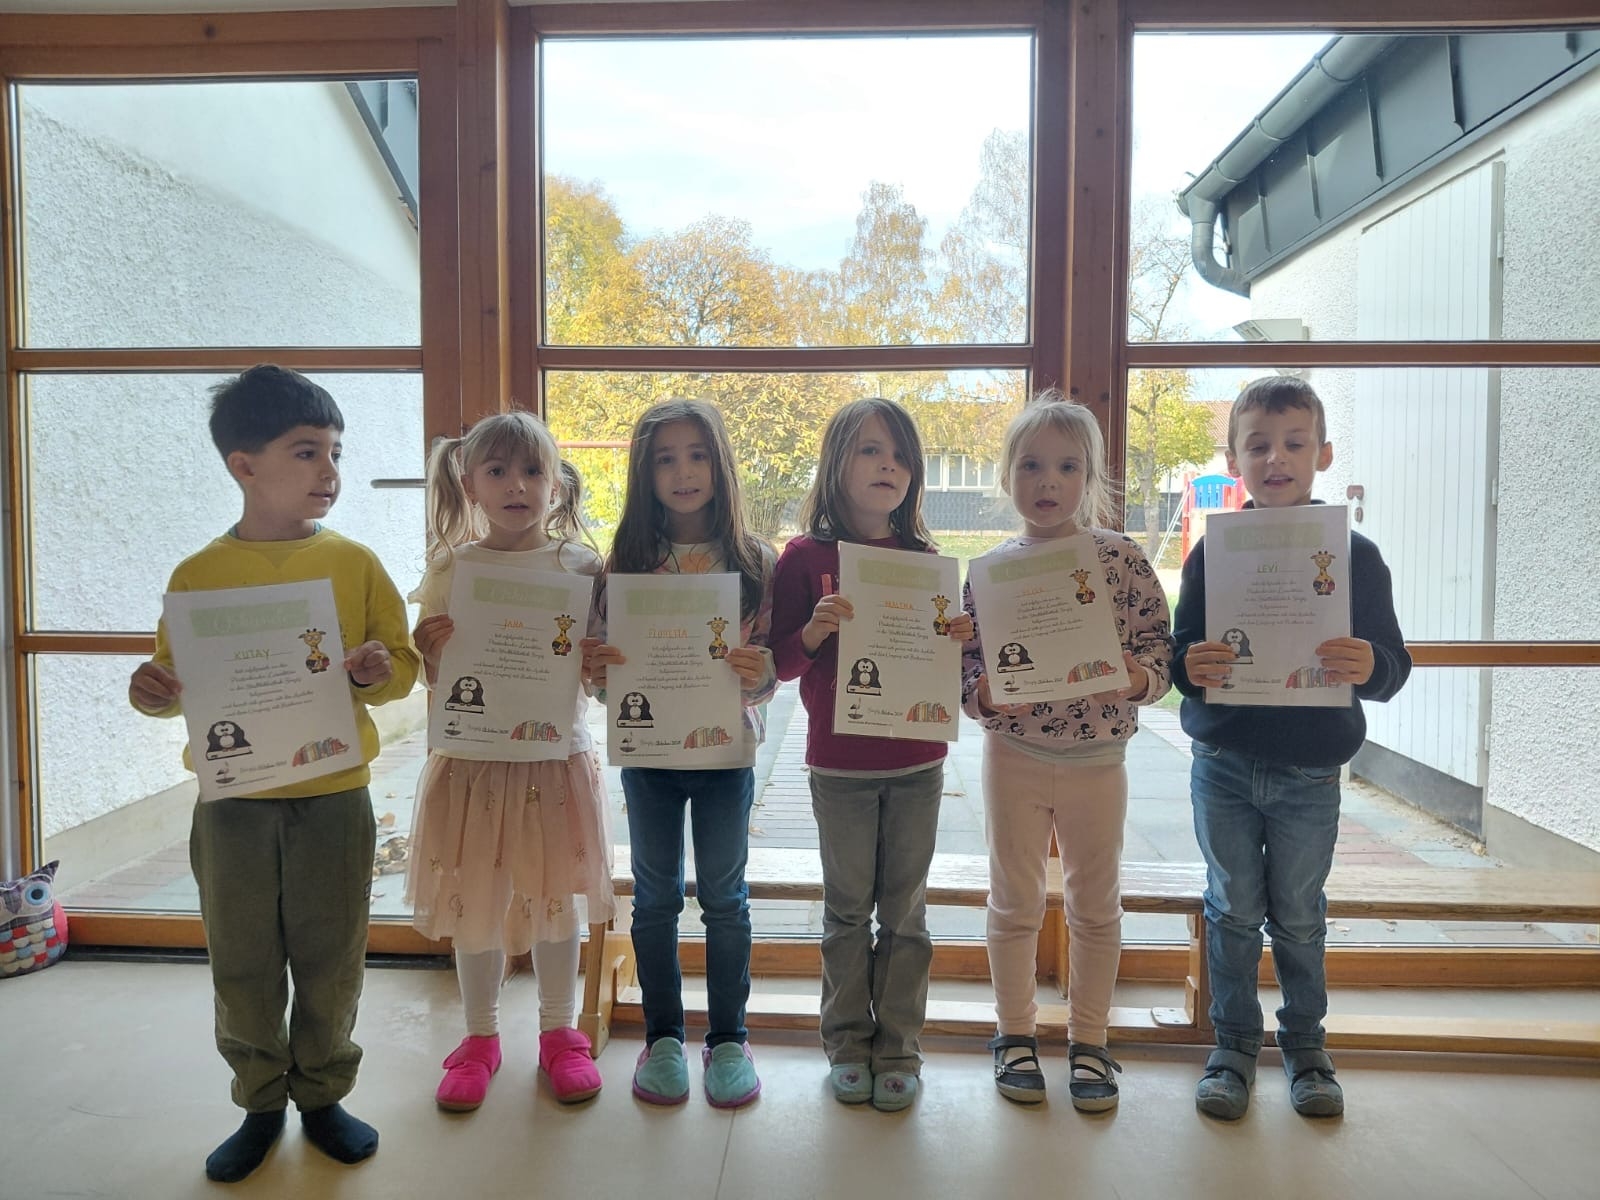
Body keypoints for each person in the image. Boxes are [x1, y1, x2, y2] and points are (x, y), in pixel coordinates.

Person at [127, 365, 420, 1183]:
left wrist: (372, 673)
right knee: (243, 958)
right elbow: (168, 681)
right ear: (242, 464)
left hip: (332, 795)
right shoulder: (198, 576)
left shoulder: (356, 564)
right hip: (233, 804)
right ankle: (259, 1101)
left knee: (332, 953)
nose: (329, 472)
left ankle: (323, 1093)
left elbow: (400, 667)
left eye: (335, 452)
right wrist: (146, 689)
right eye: (306, 452)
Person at [1171, 376, 1411, 1121]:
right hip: (1224, 766)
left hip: (1311, 771)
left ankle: (1307, 1050)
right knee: (1234, 908)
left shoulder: (1356, 556)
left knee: (1300, 915)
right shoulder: (1213, 555)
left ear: (1323, 453)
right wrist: (1192, 667)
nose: (1276, 458)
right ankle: (1233, 1048)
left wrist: (1368, 663)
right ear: (1235, 457)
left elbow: (1392, 666)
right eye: (1259, 445)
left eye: (1294, 444)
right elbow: (1180, 652)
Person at [959, 391, 1172, 1111]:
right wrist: (986, 695)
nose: (1048, 482)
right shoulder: (988, 570)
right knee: (1013, 899)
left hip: (1098, 761)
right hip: (1012, 754)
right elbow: (966, 671)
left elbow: (1158, 652)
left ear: (1092, 477)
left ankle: (1091, 1040)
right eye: (1030, 466)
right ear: (1006, 477)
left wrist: (1135, 675)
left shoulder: (1119, 560)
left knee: (1095, 902)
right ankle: (1013, 1033)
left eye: (1067, 467)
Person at [404, 411, 615, 1112]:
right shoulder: (450, 567)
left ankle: (561, 1034)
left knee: (557, 903)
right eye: (497, 471)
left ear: (557, 486)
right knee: (477, 904)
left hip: (553, 764)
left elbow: (595, 679)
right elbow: (433, 677)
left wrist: (594, 665)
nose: (516, 485)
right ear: (470, 483)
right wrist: (429, 652)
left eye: (533, 471)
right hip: (472, 766)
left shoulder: (582, 567)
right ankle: (481, 1037)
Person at [768, 397, 973, 1113]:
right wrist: (815, 634)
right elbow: (779, 666)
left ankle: (900, 1047)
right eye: (869, 451)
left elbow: (949, 668)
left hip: (918, 762)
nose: (888, 466)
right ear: (837, 465)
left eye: (899, 455)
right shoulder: (804, 559)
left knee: (907, 914)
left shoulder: (927, 563)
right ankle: (847, 1043)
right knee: (848, 912)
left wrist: (958, 639)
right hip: (840, 767)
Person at [581, 399, 777, 1109]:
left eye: (696, 454)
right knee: (656, 899)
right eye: (665, 458)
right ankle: (663, 1038)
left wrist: (764, 675)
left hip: (727, 759)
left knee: (725, 900)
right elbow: (607, 676)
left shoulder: (756, 560)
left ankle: (729, 1040)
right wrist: (600, 677)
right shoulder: (627, 562)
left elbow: (772, 664)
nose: (683, 471)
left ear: (719, 465)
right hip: (651, 762)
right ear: (645, 471)